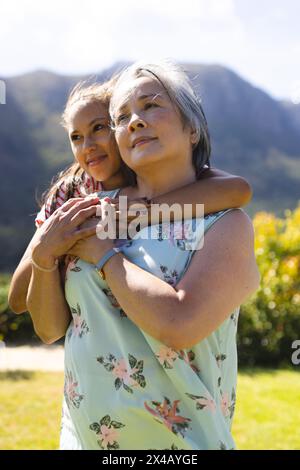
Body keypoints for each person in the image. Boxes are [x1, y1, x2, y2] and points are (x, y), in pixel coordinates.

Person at [17, 61, 260, 450]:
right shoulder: (89, 211)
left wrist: (105, 256)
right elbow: (50, 330)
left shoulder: (224, 223)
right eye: (122, 117)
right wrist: (45, 258)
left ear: (192, 128)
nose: (134, 122)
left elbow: (180, 325)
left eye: (150, 106)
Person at [9, 78, 251, 315]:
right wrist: (51, 248)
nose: (88, 146)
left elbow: (237, 189)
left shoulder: (151, 173)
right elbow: (18, 300)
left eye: (99, 128)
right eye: (76, 137)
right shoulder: (71, 192)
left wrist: (137, 213)